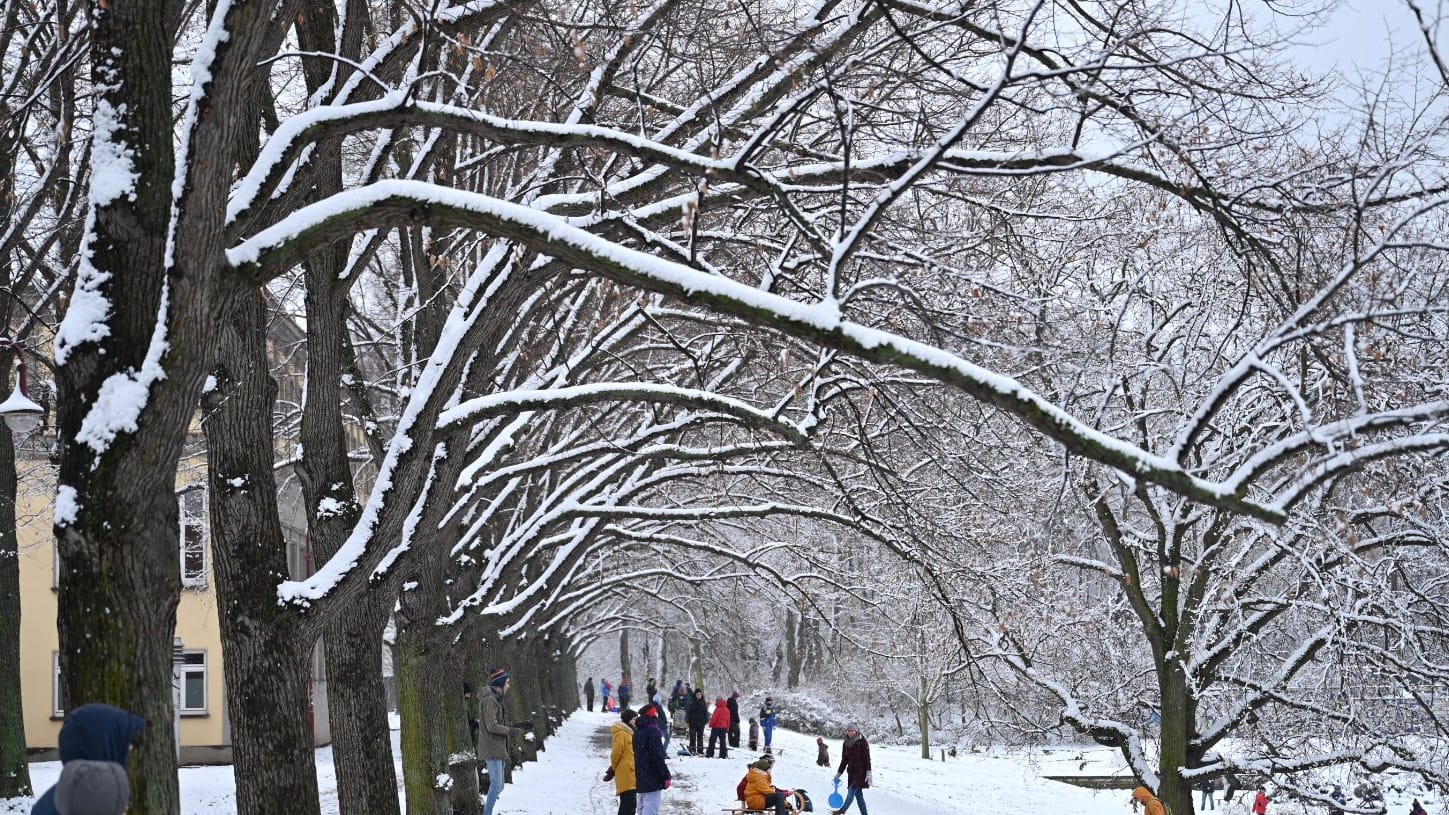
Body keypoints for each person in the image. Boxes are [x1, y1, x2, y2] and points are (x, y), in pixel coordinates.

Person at [31, 703, 145, 815]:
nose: (130, 748)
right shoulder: (95, 803)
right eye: (123, 741)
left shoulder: (67, 796)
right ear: (102, 746)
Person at [479, 668, 533, 815]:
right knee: (496, 785)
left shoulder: (497, 699)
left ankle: (486, 809)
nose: (509, 686)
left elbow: (500, 722)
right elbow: (491, 725)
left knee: (500, 786)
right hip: (492, 747)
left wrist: (520, 725)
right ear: (501, 683)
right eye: (507, 683)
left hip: (499, 747)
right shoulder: (489, 700)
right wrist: (510, 731)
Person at [633, 703, 672, 815]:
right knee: (650, 807)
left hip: (641, 773)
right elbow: (657, 757)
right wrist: (665, 775)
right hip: (652, 776)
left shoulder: (638, 731)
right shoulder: (653, 732)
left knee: (642, 806)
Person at [832, 724, 871, 815]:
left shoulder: (862, 741)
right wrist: (839, 773)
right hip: (851, 773)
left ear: (856, 731)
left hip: (860, 773)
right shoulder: (846, 743)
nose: (850, 732)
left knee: (851, 792)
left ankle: (842, 811)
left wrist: (869, 772)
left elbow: (867, 758)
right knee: (859, 796)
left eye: (852, 731)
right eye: (848, 730)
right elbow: (844, 759)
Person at [607, 708, 638, 815]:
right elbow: (616, 753)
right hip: (626, 772)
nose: (636, 721)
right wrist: (614, 768)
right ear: (628, 720)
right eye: (634, 719)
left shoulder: (630, 732)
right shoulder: (622, 733)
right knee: (628, 804)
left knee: (630, 803)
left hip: (630, 771)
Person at [685, 689, 709, 755]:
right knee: (692, 736)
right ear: (695, 695)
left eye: (700, 694)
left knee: (700, 737)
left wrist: (707, 719)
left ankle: (700, 749)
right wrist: (687, 719)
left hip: (701, 723)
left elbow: (706, 712)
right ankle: (692, 749)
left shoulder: (703, 702)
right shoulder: (691, 702)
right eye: (697, 694)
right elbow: (688, 711)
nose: (699, 696)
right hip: (692, 722)